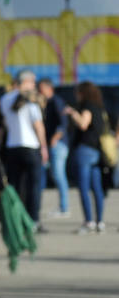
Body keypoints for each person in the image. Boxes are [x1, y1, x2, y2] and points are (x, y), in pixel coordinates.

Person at [66, 82, 116, 233]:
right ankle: (99, 221)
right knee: (97, 188)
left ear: (83, 93)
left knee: (84, 187)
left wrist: (73, 113)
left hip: (86, 149)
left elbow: (83, 124)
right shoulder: (100, 107)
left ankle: (89, 221)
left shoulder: (87, 106)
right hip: (97, 151)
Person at [0, 71, 48, 226]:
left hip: (13, 147)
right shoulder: (30, 100)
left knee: (16, 186)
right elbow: (38, 126)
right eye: (32, 82)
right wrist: (44, 147)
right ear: (25, 82)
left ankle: (17, 220)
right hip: (31, 147)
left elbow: (6, 123)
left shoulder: (5, 99)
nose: (34, 85)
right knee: (34, 186)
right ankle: (33, 220)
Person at [39, 78, 71, 218]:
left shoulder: (56, 102)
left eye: (41, 89)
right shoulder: (47, 103)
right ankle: (62, 207)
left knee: (59, 175)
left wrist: (54, 139)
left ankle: (64, 208)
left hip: (58, 145)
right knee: (54, 174)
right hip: (52, 144)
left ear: (48, 88)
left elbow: (63, 123)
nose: (39, 92)